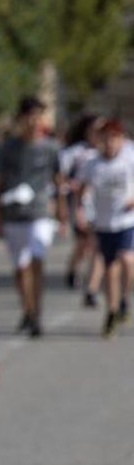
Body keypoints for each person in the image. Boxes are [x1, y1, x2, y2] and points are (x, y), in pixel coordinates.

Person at [0, 96, 66, 338]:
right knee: (20, 267)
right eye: (30, 116)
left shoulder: (51, 147)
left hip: (40, 213)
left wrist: (62, 213)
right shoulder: (9, 148)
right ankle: (27, 308)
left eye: (39, 115)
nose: (35, 121)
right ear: (22, 118)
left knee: (37, 261)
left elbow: (58, 181)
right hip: (14, 214)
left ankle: (36, 314)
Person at [77, 119, 134, 337]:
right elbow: (81, 189)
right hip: (104, 223)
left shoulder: (129, 158)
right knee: (110, 268)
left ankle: (125, 299)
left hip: (127, 220)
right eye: (106, 138)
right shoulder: (92, 164)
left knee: (127, 259)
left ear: (121, 140)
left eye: (114, 138)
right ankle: (111, 311)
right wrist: (81, 211)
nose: (110, 143)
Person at [60, 114, 106, 308]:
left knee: (98, 248)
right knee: (83, 246)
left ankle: (92, 289)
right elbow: (61, 177)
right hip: (80, 206)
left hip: (104, 209)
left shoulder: (113, 152)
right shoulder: (75, 152)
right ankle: (72, 270)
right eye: (95, 130)